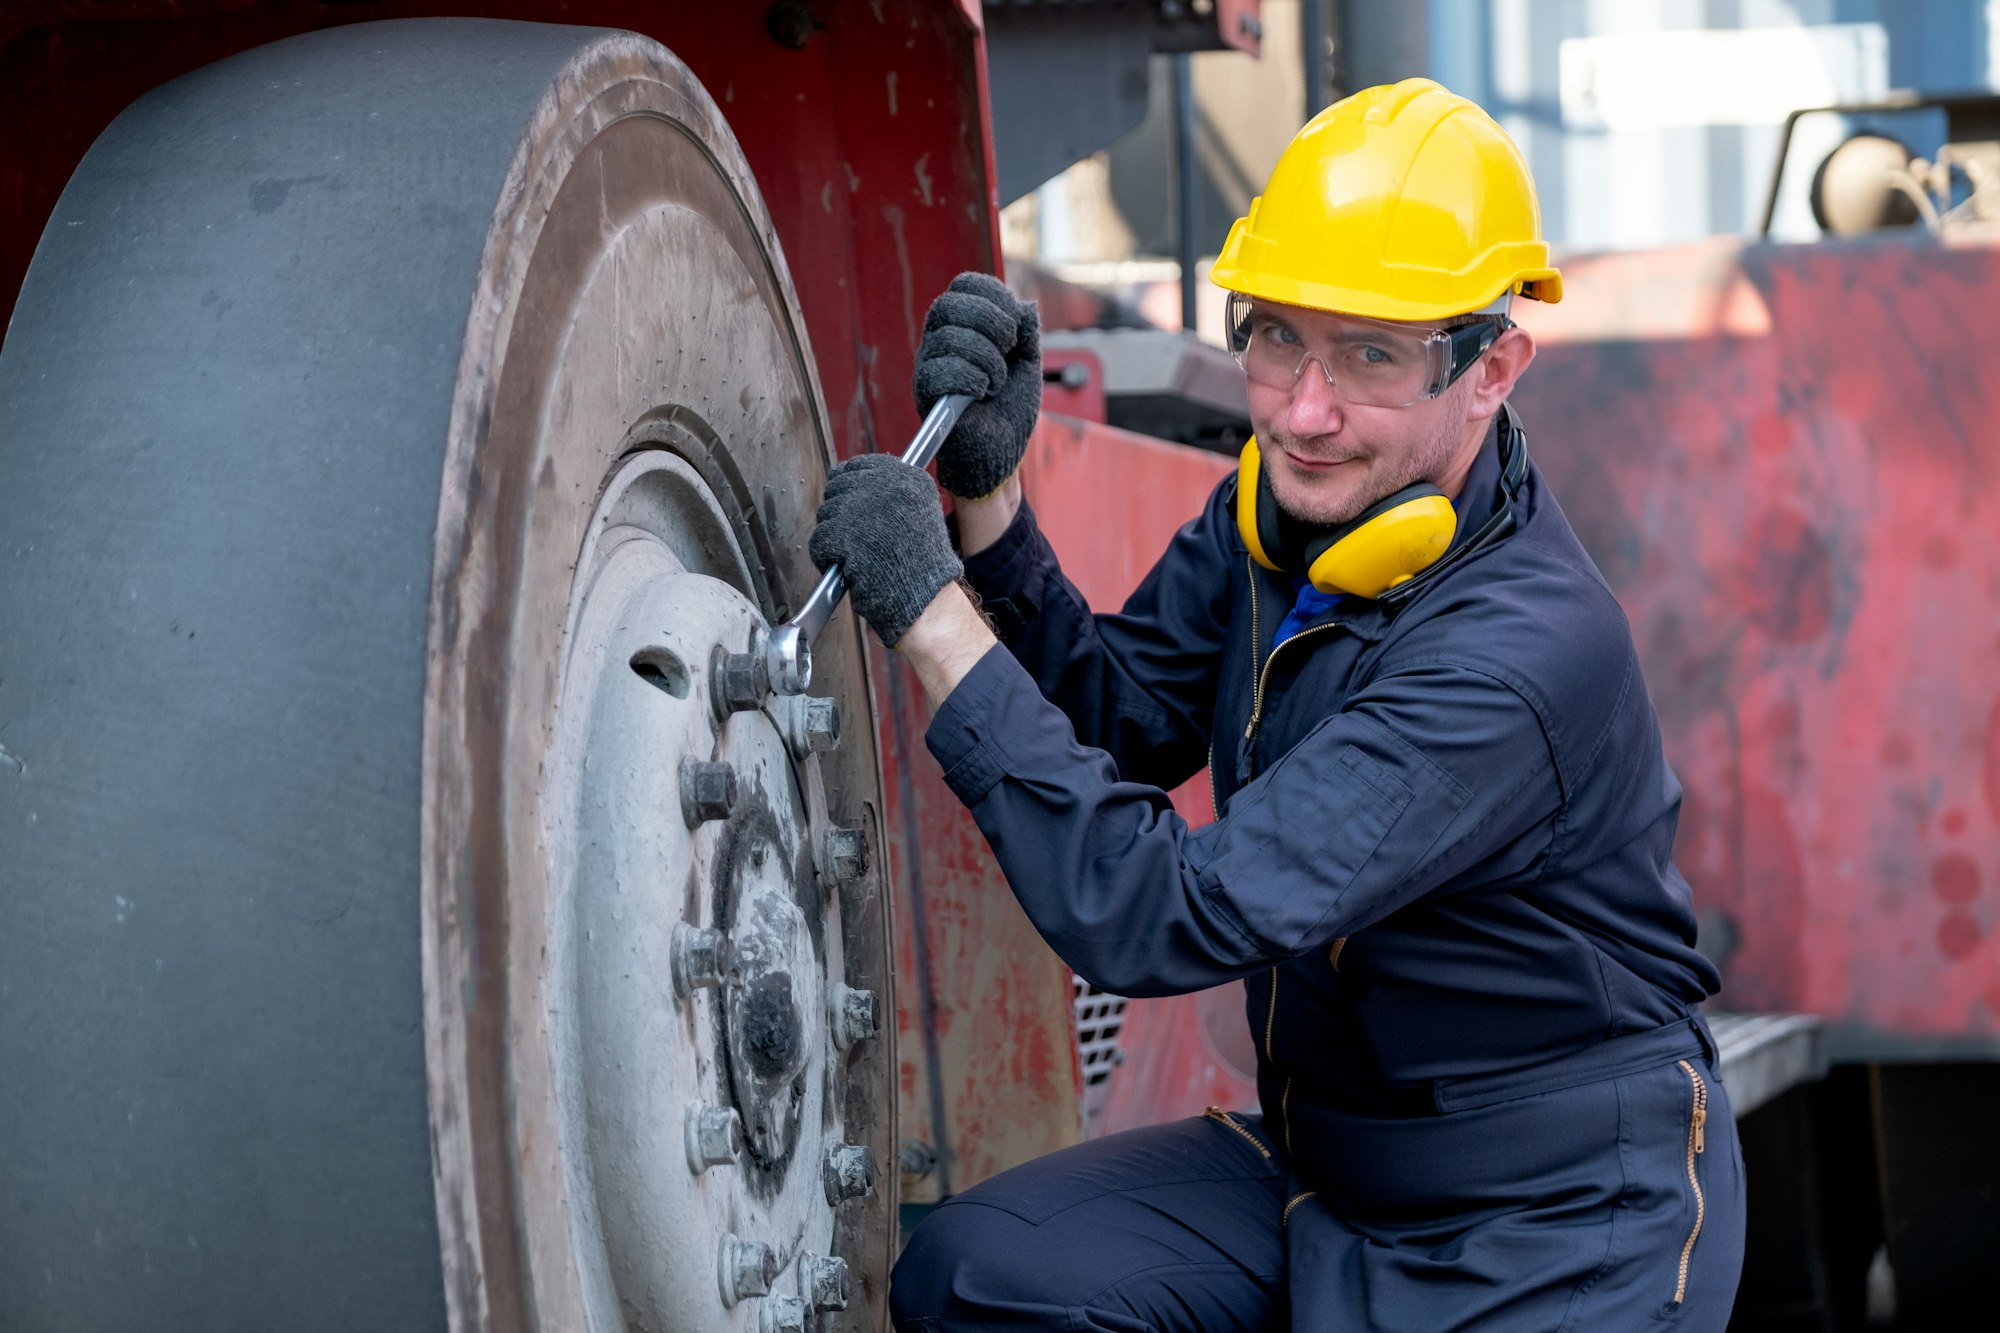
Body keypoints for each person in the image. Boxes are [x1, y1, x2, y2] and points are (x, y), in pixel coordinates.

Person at [808, 78, 1746, 1331]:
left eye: (1371, 354)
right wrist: (983, 506)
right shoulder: (1287, 511)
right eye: (1275, 336)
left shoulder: (1514, 663)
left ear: (1492, 366)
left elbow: (1161, 916)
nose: (1303, 410)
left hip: (1554, 1223)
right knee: (976, 1275)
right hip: (1335, 1166)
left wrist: (928, 620)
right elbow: (1121, 717)